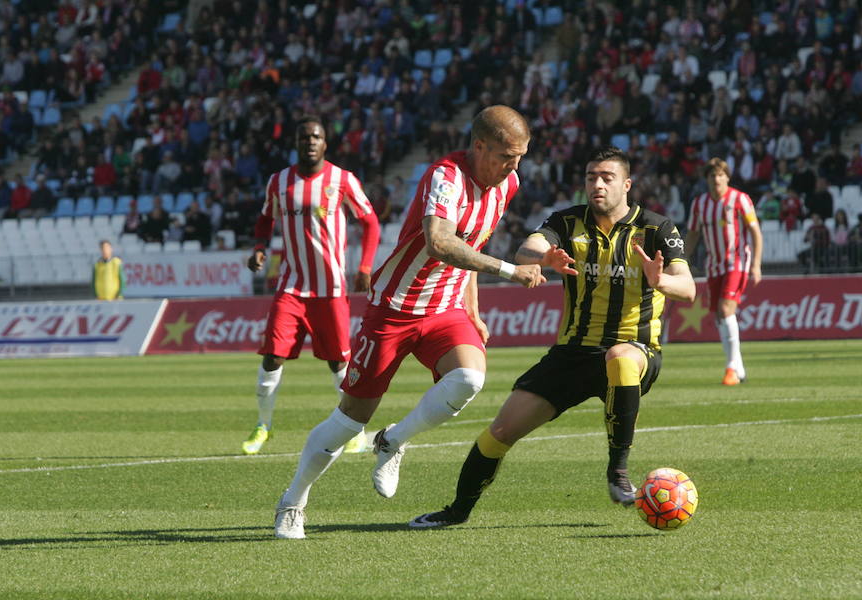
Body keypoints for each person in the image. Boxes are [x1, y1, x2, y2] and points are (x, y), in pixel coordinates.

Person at [273, 105, 564, 540]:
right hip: (393, 307)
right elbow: (441, 243)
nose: (515, 166)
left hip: (444, 308)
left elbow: (471, 247)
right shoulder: (444, 177)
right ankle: (293, 500)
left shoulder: (509, 183)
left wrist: (474, 311)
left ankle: (393, 440)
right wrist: (508, 271)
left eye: (520, 156)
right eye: (507, 156)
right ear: (480, 146)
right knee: (350, 420)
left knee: (469, 377)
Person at [409, 146, 696, 528]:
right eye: (592, 176)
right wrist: (542, 257)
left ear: (626, 185)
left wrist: (661, 281)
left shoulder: (657, 229)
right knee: (499, 432)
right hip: (571, 354)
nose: (597, 184)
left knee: (620, 358)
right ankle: (457, 511)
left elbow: (688, 288)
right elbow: (529, 246)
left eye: (607, 178)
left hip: (637, 349)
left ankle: (618, 471)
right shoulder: (567, 221)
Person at [242, 115, 381, 457]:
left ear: (325, 143)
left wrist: (365, 266)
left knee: (339, 364)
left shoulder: (342, 180)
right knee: (272, 358)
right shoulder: (279, 182)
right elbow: (264, 218)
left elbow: (371, 222)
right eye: (304, 137)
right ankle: (263, 425)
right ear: (296, 142)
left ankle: (353, 430)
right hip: (291, 287)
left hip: (331, 289)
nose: (310, 142)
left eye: (316, 137)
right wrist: (260, 247)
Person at [684, 158, 763, 386]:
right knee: (719, 315)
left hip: (736, 261)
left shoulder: (740, 199)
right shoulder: (700, 204)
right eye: (712, 176)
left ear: (727, 177)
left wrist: (756, 264)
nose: (716, 179)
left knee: (725, 308)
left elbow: (756, 232)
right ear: (707, 179)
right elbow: (692, 235)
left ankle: (731, 368)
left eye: (720, 175)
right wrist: (681, 260)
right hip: (713, 265)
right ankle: (738, 366)